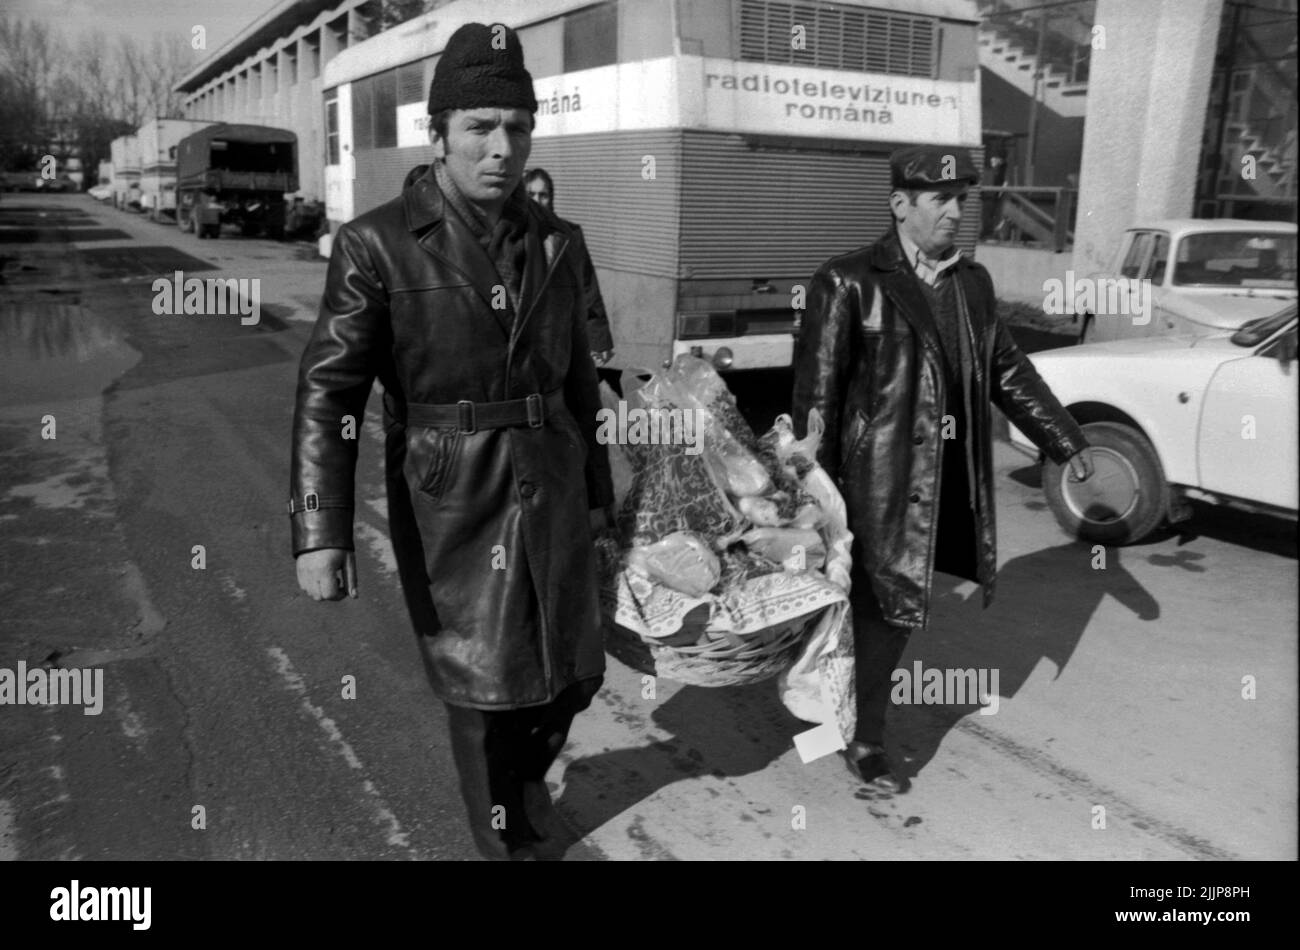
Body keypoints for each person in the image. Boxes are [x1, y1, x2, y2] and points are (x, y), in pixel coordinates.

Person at [289, 22, 613, 860]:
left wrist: (603, 496)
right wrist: (320, 531)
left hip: (554, 470)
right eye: (479, 127)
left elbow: (582, 381)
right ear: (437, 136)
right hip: (452, 492)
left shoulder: (559, 241)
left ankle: (529, 781)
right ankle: (498, 835)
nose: (501, 148)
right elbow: (329, 394)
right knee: (483, 684)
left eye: (516, 127)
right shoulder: (377, 244)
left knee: (574, 670)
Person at [792, 144, 1094, 793]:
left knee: (890, 613)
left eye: (962, 198)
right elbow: (817, 394)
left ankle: (858, 729)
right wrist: (805, 487)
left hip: (935, 486)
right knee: (862, 611)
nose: (955, 211)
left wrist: (1067, 441)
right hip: (867, 485)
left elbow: (1008, 370)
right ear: (900, 204)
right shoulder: (849, 281)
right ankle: (854, 730)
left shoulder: (972, 285)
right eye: (940, 199)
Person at [523, 167, 615, 368]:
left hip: (561, 338)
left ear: (551, 198)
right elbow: (497, 287)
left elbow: (588, 288)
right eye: (531, 194)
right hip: (523, 341)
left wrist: (599, 340)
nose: (537, 201)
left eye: (543, 195)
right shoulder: (508, 236)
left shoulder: (568, 235)